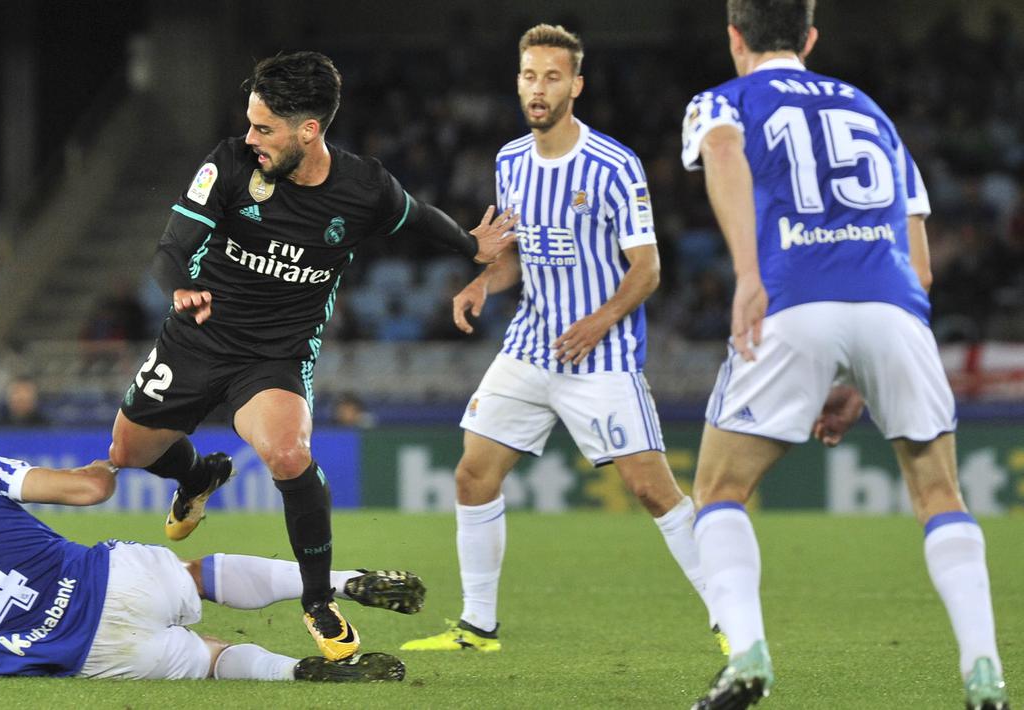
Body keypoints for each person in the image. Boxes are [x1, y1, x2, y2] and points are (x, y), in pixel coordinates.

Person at [106, 50, 516, 663]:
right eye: (249, 123)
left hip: (276, 354)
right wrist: (179, 289)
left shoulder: (363, 187)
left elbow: (416, 217)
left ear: (309, 130)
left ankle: (319, 600)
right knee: (127, 453)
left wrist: (469, 245)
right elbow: (172, 248)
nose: (251, 138)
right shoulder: (230, 164)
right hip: (196, 336)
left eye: (264, 128)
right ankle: (198, 475)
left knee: (289, 454)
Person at [679, 2, 1009, 708]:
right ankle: (985, 672)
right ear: (810, 38)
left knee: (718, 489)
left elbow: (724, 151)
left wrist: (746, 274)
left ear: (733, 36)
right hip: (893, 308)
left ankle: (746, 658)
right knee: (938, 494)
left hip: (793, 297)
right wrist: (857, 369)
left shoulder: (722, 100)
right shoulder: (872, 113)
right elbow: (919, 265)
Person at [401, 24, 718, 654]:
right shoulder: (510, 160)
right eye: (528, 75)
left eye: (551, 76)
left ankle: (732, 619)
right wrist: (482, 284)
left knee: (653, 490)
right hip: (528, 346)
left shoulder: (613, 165)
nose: (537, 88)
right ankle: (478, 627)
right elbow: (515, 253)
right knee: (472, 474)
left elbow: (647, 269)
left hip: (601, 356)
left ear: (576, 85)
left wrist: (598, 322)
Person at [0, 416, 422, 682]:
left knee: (208, 657)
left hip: (87, 652)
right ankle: (341, 581)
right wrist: (116, 458)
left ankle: (294, 672)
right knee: (194, 573)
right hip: (109, 580)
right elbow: (90, 490)